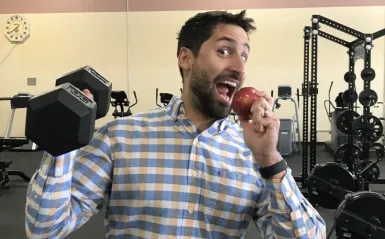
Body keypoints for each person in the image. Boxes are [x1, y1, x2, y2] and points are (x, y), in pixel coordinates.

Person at [25, 10, 326, 239]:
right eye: (224, 51)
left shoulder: (252, 154)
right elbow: (45, 229)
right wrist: (60, 146)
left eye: (244, 56)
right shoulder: (121, 138)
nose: (239, 68)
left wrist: (270, 160)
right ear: (186, 58)